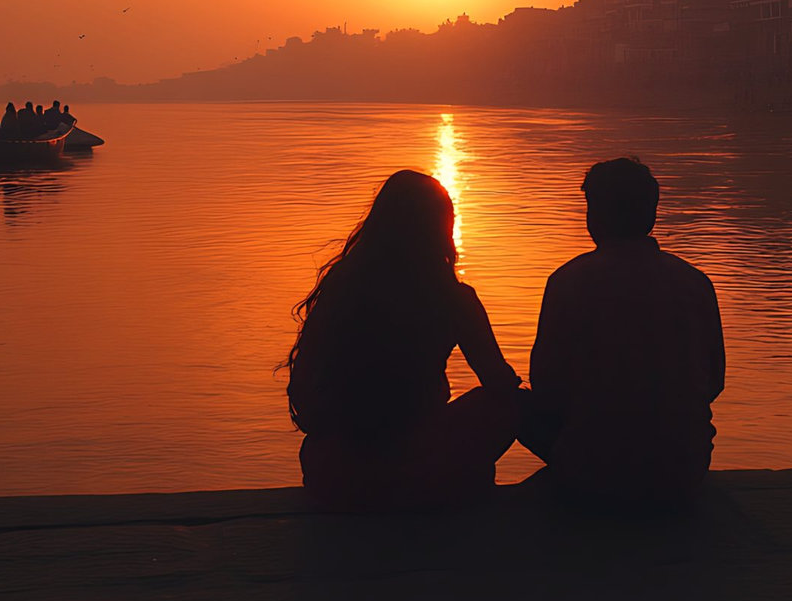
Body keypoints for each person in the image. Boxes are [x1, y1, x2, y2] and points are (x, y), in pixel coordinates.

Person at [286, 170, 520, 512]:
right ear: (441, 229)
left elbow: (303, 394)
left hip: (334, 472)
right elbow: (500, 387)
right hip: (417, 462)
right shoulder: (453, 297)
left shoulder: (342, 287)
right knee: (507, 406)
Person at [522, 157, 724, 509]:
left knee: (512, 405)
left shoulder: (568, 281)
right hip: (683, 471)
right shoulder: (695, 281)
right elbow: (714, 383)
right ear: (651, 214)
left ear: (594, 216)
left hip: (594, 473)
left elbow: (546, 386)